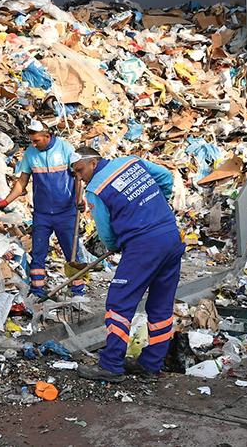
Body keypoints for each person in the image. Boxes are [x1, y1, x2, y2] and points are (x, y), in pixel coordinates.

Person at [68, 146, 184, 382]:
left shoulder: (95, 190)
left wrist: (115, 245)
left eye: (80, 170)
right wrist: (153, 205)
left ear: (93, 162)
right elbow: (166, 178)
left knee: (118, 304)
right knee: (161, 305)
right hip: (171, 236)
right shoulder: (132, 162)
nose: (79, 178)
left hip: (143, 245)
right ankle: (151, 365)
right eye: (75, 174)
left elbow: (107, 234)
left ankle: (111, 365)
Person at [0, 119, 85, 297]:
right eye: (32, 141)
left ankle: (78, 292)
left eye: (37, 141)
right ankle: (37, 292)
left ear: (47, 136)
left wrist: (81, 198)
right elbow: (22, 182)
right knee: (38, 253)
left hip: (65, 212)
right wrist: (6, 201)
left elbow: (78, 176)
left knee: (72, 253)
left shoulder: (66, 149)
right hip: (42, 214)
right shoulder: (30, 154)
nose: (34, 144)